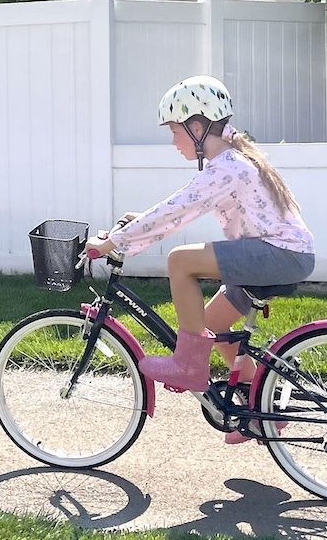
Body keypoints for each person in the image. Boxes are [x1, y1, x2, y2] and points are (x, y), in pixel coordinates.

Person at [86, 75, 315, 443]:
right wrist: (137, 223)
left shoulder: (228, 166)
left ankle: (188, 365)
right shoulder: (231, 162)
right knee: (212, 326)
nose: (173, 142)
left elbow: (181, 209)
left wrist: (116, 241)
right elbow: (181, 204)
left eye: (174, 131)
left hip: (279, 254)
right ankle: (261, 411)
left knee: (180, 261)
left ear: (196, 127)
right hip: (282, 254)